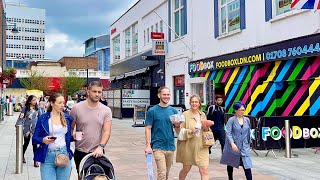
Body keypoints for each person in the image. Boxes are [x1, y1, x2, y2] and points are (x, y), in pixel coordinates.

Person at [70, 81, 112, 178]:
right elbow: (70, 128)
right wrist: (73, 136)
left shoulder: (106, 110)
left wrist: (101, 146)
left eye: (99, 92)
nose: (97, 94)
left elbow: (107, 131)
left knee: (99, 177)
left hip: (98, 152)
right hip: (80, 151)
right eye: (94, 91)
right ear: (88, 92)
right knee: (82, 176)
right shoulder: (76, 108)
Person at [32, 93, 74, 180]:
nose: (62, 105)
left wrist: (74, 137)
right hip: (48, 156)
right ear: (52, 103)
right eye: (59, 103)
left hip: (64, 154)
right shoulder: (43, 118)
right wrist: (43, 140)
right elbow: (34, 138)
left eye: (63, 102)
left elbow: (68, 138)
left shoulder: (67, 118)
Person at [144, 86, 178, 180]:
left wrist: (178, 125)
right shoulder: (152, 111)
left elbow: (178, 130)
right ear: (159, 95)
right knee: (162, 173)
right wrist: (148, 146)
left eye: (168, 94)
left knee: (166, 173)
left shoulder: (173, 111)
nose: (166, 96)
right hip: (158, 146)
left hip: (170, 146)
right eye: (164, 94)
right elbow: (148, 128)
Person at [176, 94, 213, 180]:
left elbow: (207, 131)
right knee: (186, 169)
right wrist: (190, 131)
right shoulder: (184, 115)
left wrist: (207, 127)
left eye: (196, 102)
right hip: (189, 146)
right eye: (192, 102)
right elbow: (179, 132)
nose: (194, 104)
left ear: (199, 103)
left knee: (204, 170)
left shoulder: (202, 114)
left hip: (202, 146)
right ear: (190, 103)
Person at [220, 101, 252, 180]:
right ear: (236, 110)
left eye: (243, 110)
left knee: (247, 165)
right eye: (241, 110)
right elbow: (228, 132)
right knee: (231, 163)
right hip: (233, 145)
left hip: (244, 146)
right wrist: (232, 143)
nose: (242, 112)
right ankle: (230, 178)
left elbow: (248, 132)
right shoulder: (231, 120)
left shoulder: (247, 120)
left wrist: (249, 143)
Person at [16, 95, 41, 167]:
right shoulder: (25, 108)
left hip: (35, 129)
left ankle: (35, 160)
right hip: (27, 129)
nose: (35, 101)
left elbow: (40, 118)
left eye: (35, 100)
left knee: (35, 144)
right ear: (29, 101)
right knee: (26, 143)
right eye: (33, 100)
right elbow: (21, 118)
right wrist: (18, 125)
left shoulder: (38, 108)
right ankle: (22, 155)